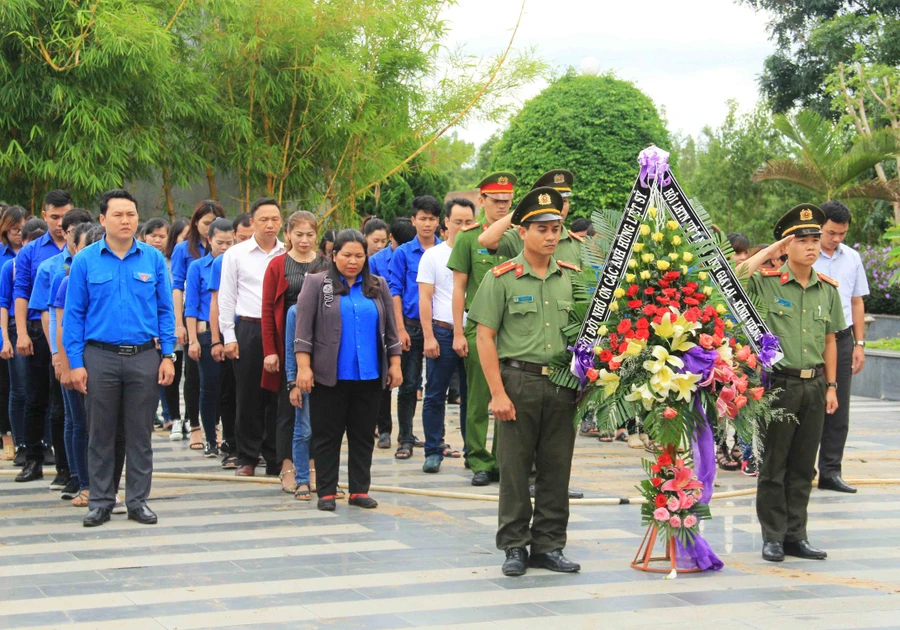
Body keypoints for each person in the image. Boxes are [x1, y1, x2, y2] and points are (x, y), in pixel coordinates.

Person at [468, 187, 583, 577]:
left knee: (556, 468)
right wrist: (497, 392)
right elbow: (484, 336)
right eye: (542, 229)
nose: (551, 236)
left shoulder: (571, 279)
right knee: (515, 470)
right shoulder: (501, 278)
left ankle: (549, 545)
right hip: (518, 380)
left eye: (556, 228)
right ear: (522, 230)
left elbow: (586, 332)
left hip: (563, 384)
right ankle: (515, 545)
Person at [63, 189, 176, 527]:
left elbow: (165, 311)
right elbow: (74, 315)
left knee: (140, 434)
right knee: (100, 433)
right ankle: (100, 501)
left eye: (131, 214)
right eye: (118, 214)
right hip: (100, 357)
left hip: (144, 357)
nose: (125, 220)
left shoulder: (153, 259)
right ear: (102, 220)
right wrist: (76, 362)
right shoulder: (85, 260)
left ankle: (138, 501)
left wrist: (168, 355)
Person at [739, 204, 844, 562]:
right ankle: (773, 535)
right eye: (803, 240)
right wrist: (769, 252)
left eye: (816, 239)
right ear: (788, 245)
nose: (812, 247)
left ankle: (796, 536)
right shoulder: (767, 283)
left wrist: (831, 387)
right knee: (774, 464)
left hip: (814, 385)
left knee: (803, 466)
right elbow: (735, 276)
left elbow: (830, 339)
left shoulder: (827, 289)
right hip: (778, 385)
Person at [294, 229, 402, 511]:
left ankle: (359, 491)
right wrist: (303, 368)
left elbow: (391, 330)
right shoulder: (319, 284)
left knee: (363, 434)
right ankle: (327, 492)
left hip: (369, 376)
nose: (353, 261)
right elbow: (303, 329)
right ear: (334, 255)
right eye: (346, 255)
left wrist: (395, 363)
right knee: (327, 435)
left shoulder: (377, 285)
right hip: (329, 376)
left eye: (359, 255)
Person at [447, 172, 516, 486]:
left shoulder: (519, 234)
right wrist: (459, 332)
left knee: (510, 394)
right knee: (477, 397)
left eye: (507, 201)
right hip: (479, 327)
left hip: (514, 328)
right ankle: (478, 459)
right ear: (482, 200)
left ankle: (504, 458)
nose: (502, 206)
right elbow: (459, 288)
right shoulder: (467, 237)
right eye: (496, 200)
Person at [218, 197, 285, 477]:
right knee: (247, 395)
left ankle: (276, 458)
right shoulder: (236, 254)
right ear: (252, 222)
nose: (269, 225)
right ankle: (247, 456)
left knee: (278, 397)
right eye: (263, 220)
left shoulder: (289, 252)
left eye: (275, 219)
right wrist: (228, 336)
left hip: (282, 330)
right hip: (249, 328)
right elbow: (226, 297)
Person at [31, 207, 94, 497]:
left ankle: (95, 480)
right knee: (73, 419)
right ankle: (77, 477)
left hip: (100, 356)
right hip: (71, 356)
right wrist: (59, 356)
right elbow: (54, 320)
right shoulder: (61, 276)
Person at [13, 190, 72, 485]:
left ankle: (66, 467)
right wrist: (21, 332)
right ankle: (32, 459)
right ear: (44, 214)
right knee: (35, 398)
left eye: (65, 217)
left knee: (63, 402)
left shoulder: (84, 247)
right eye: (54, 217)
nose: (60, 223)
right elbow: (20, 292)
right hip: (38, 331)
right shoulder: (31, 252)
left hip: (69, 333)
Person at [261, 211, 321, 493]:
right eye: (299, 234)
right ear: (288, 235)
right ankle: (286, 465)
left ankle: (312, 465)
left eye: (310, 234)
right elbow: (267, 310)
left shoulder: (325, 264)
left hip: (318, 343)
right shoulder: (277, 265)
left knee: (318, 408)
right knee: (288, 405)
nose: (304, 240)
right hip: (287, 341)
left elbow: (333, 301)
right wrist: (270, 351)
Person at [813, 201, 869, 494]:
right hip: (809, 339)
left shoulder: (852, 258)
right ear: (819, 227)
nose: (836, 239)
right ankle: (801, 469)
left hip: (843, 338)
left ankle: (831, 471)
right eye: (831, 232)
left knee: (839, 406)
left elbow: (857, 301)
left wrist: (859, 344)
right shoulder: (805, 254)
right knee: (807, 401)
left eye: (842, 233)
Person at [417, 198, 475, 473]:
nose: (463, 227)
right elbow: (425, 299)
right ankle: (433, 450)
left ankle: (473, 452)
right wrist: (428, 336)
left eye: (468, 222)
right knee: (435, 394)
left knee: (471, 396)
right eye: (458, 222)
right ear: (447, 224)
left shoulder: (481, 253)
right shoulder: (434, 256)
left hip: (475, 334)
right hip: (442, 332)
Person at [389, 196, 442, 460]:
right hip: (410, 326)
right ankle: (405, 438)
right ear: (413, 220)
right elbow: (395, 292)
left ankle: (437, 440)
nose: (427, 223)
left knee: (436, 386)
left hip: (439, 326)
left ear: (439, 221)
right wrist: (399, 329)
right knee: (409, 385)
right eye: (422, 218)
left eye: (432, 219)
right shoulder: (402, 254)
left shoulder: (447, 251)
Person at [171, 201, 226, 447]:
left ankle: (215, 427)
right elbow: (178, 289)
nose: (209, 228)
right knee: (193, 377)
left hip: (224, 326)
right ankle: (195, 426)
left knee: (221, 383)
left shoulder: (230, 254)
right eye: (206, 223)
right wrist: (179, 324)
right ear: (196, 223)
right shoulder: (185, 250)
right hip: (196, 322)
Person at [51, 221, 98, 506]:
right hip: (76, 358)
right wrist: (64, 363)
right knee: (78, 423)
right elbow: (61, 325)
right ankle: (83, 483)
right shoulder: (68, 280)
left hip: (102, 359)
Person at [185, 218, 236, 458]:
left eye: (229, 242)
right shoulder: (198, 267)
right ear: (209, 241)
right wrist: (193, 339)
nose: (224, 247)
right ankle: (210, 438)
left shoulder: (236, 264)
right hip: (207, 333)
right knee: (210, 387)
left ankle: (230, 438)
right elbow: (191, 305)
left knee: (232, 389)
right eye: (220, 242)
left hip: (233, 332)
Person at [369, 217, 416, 449]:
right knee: (385, 378)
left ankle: (407, 433)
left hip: (410, 322)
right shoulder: (376, 261)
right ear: (392, 240)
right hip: (382, 326)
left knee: (410, 380)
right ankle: (384, 428)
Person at [479, 170, 584, 266]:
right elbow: (486, 240)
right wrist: (522, 208)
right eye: (552, 203)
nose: (560, 208)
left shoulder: (577, 244)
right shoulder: (523, 235)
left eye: (564, 201)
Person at [0, 206, 27, 461]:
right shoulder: (3, 257)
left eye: (22, 229)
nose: (18, 234)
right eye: (14, 230)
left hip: (27, 329)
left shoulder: (31, 253)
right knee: (7, 387)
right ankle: (8, 438)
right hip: (5, 326)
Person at [161, 217, 189, 432]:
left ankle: (190, 418)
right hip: (171, 321)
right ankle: (173, 417)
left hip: (194, 320)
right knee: (173, 368)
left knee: (193, 374)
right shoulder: (163, 261)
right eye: (184, 237)